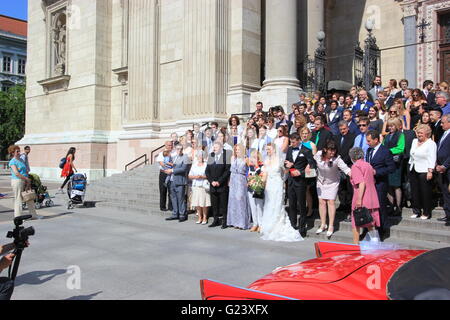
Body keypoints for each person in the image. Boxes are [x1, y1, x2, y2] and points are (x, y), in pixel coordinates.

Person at [260, 143, 303, 242]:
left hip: (277, 184)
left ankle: (277, 225)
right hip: (269, 185)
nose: (268, 151)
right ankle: (268, 226)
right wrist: (259, 182)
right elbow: (265, 173)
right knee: (269, 204)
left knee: (277, 204)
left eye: (269, 149)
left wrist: (284, 177)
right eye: (267, 150)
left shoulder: (280, 160)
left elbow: (285, 172)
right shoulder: (267, 160)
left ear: (274, 149)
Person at [314, 140, 351, 238]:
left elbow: (346, 169)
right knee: (321, 202)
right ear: (325, 150)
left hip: (333, 183)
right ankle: (323, 224)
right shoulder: (318, 155)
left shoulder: (337, 159)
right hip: (320, 182)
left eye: (334, 151)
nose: (332, 153)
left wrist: (355, 175)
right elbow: (311, 161)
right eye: (330, 151)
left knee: (330, 202)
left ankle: (331, 225)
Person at [284, 134, 317, 238]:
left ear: (299, 141)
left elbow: (313, 165)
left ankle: (302, 228)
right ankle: (293, 225)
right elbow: (286, 163)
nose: (291, 144)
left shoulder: (306, 150)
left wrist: (301, 172)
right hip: (291, 181)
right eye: (290, 142)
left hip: (301, 182)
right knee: (292, 204)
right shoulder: (289, 150)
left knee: (302, 206)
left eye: (293, 142)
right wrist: (288, 165)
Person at [366, 130, 396, 240]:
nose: (367, 143)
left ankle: (383, 229)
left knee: (380, 206)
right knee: (370, 207)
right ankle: (370, 229)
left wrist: (377, 172)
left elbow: (391, 168)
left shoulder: (385, 151)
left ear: (376, 140)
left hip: (380, 183)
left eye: (369, 141)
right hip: (370, 183)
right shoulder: (369, 151)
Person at [348, 147, 381, 244]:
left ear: (352, 157)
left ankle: (355, 244)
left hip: (362, 197)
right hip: (372, 197)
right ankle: (375, 242)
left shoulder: (355, 166)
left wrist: (359, 200)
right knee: (370, 222)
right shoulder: (368, 165)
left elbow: (361, 183)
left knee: (355, 222)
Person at [408, 124, 437, 220]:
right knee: (414, 191)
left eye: (421, 133)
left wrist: (430, 171)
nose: (419, 134)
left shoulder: (431, 143)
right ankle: (416, 211)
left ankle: (426, 212)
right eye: (418, 132)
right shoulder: (414, 141)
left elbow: (432, 158)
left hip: (424, 170)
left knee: (425, 192)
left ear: (427, 134)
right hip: (413, 169)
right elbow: (412, 155)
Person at [8, 145, 40, 220]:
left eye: (19, 151)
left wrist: (28, 180)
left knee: (29, 197)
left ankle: (33, 215)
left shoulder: (21, 160)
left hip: (25, 180)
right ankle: (18, 217)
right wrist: (26, 179)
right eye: (17, 151)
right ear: (12, 153)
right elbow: (16, 173)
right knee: (18, 199)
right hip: (17, 181)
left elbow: (25, 170)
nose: (19, 152)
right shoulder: (12, 161)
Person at [206, 142, 231, 229]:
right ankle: (215, 220)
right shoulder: (211, 155)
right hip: (212, 184)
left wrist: (219, 181)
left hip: (222, 184)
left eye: (216, 147)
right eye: (213, 147)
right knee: (214, 204)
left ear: (221, 147)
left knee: (224, 204)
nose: (214, 149)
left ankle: (225, 221)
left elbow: (227, 171)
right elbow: (207, 171)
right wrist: (211, 181)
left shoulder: (226, 156)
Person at [383, 118, 406, 216]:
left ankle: (398, 207)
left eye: (392, 125)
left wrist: (389, 151)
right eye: (389, 126)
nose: (390, 127)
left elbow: (400, 148)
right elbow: (383, 146)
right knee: (389, 186)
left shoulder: (401, 135)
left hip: (396, 163)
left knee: (396, 185)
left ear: (396, 126)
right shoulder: (387, 136)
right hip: (388, 163)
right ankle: (391, 206)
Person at [227, 144, 252, 230]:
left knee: (240, 199)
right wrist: (229, 180)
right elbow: (231, 171)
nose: (237, 151)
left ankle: (242, 222)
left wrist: (250, 179)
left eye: (238, 149)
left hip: (241, 180)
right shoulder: (233, 158)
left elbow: (251, 170)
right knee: (233, 200)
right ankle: (234, 221)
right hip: (233, 179)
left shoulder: (246, 159)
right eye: (236, 149)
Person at [335, 121, 356, 216]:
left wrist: (343, 162)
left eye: (344, 129)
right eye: (341, 130)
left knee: (348, 187)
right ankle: (342, 204)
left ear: (348, 128)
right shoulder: (337, 137)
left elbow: (351, 151)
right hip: (338, 166)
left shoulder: (353, 137)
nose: (343, 131)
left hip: (348, 165)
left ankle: (348, 205)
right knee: (340, 188)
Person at [164, 145, 189, 222]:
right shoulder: (174, 157)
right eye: (178, 149)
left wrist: (172, 171)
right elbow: (171, 166)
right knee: (173, 198)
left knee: (181, 198)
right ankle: (175, 213)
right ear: (175, 149)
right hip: (172, 180)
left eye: (181, 149)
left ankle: (182, 214)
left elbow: (183, 169)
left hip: (180, 181)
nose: (179, 150)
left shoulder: (185, 157)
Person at [188, 150, 211, 225]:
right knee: (197, 203)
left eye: (201, 156)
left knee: (204, 203)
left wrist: (202, 176)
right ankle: (199, 217)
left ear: (203, 157)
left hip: (204, 186)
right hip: (196, 186)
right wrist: (195, 177)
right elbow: (189, 175)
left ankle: (205, 217)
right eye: (198, 156)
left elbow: (209, 175)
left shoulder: (206, 164)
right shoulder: (194, 165)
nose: (200, 157)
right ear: (197, 157)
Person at [436, 114, 450, 226]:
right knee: (445, 192)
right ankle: (448, 214)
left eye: (443, 122)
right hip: (441, 168)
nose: (441, 125)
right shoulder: (444, 133)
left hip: (448, 168)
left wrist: (445, 165)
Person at [247, 150, 265, 233]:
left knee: (259, 207)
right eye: (252, 157)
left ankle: (261, 225)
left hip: (258, 188)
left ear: (258, 158)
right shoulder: (250, 166)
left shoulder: (261, 166)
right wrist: (249, 180)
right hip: (251, 188)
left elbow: (261, 175)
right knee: (253, 207)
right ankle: (255, 224)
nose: (252, 159)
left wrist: (257, 166)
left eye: (254, 157)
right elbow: (249, 175)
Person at [156, 141, 175, 212]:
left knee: (171, 190)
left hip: (171, 173)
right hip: (163, 173)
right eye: (169, 145)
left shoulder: (174, 153)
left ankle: (171, 206)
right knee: (163, 190)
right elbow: (161, 163)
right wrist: (168, 168)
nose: (170, 146)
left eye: (171, 145)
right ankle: (162, 206)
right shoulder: (162, 153)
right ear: (165, 145)